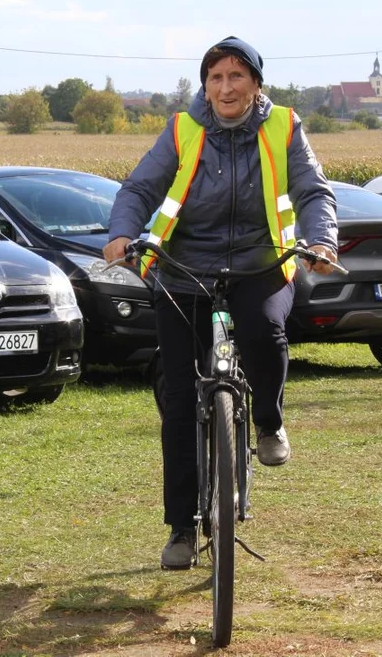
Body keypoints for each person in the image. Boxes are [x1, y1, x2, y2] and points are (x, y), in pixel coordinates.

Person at [103, 36, 339, 570]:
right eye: (215, 78)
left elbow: (312, 191)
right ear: (205, 86)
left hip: (261, 261)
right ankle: (182, 528)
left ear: (257, 84)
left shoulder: (284, 127)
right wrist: (122, 232)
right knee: (181, 398)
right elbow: (138, 189)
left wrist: (322, 240)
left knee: (264, 332)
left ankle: (269, 421)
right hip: (184, 268)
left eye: (237, 77)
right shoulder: (183, 130)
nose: (225, 87)